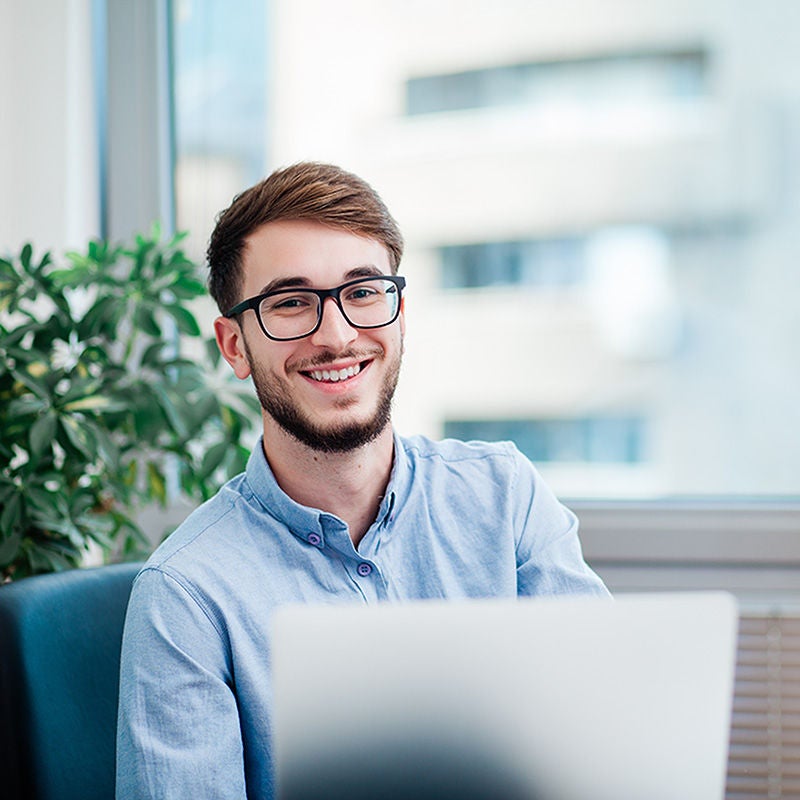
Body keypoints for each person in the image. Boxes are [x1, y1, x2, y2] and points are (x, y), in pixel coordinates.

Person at [116, 161, 609, 799]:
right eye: (290, 303)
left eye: (364, 291)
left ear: (399, 312)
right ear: (234, 346)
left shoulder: (505, 497)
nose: (338, 334)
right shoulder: (186, 595)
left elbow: (601, 745)